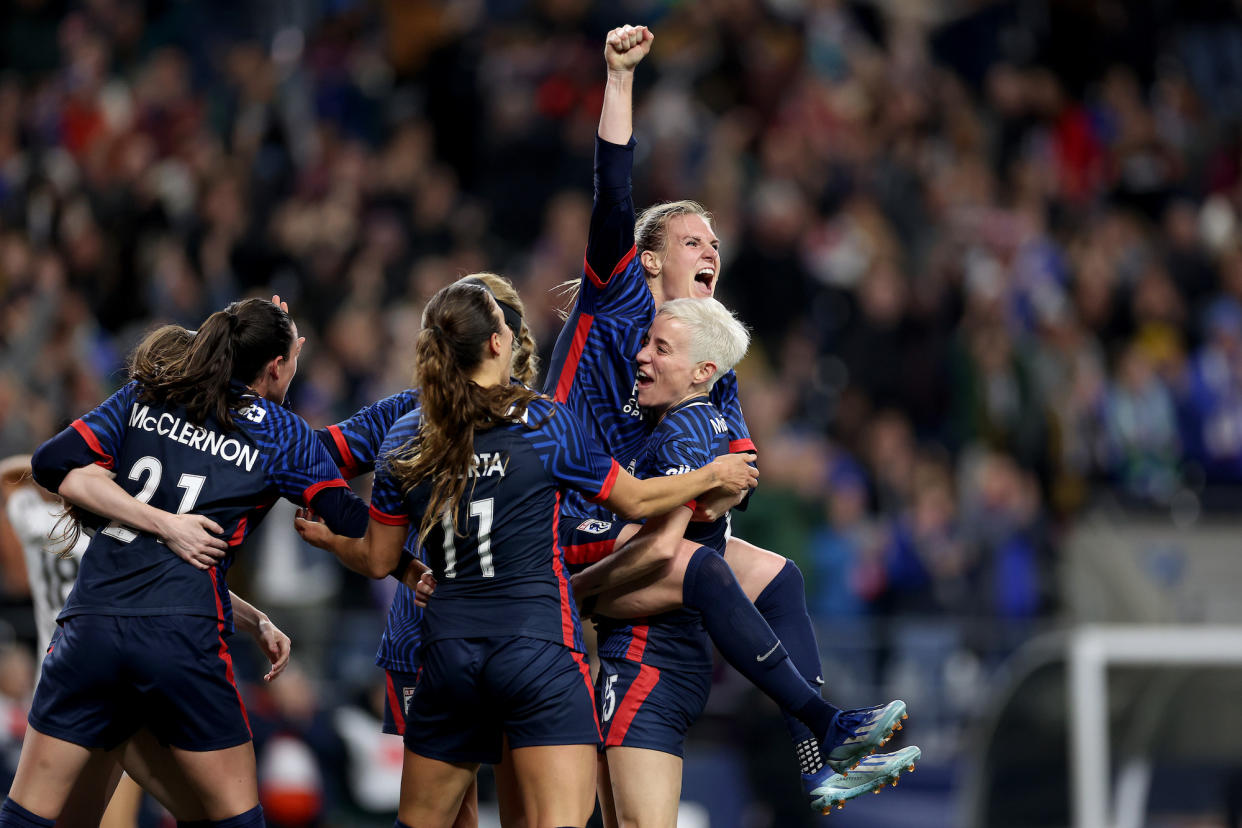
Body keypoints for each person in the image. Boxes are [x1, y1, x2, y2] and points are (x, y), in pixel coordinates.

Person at [544, 24, 914, 813]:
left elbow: (738, 476)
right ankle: (826, 720)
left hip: (636, 518)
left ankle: (817, 757)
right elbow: (614, 188)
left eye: (716, 240)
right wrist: (618, 81)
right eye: (691, 238)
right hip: (569, 515)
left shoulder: (708, 355)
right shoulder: (619, 301)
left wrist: (709, 489)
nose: (712, 247)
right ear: (649, 259)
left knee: (779, 574)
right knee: (704, 565)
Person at [294, 280, 758, 828]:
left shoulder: (405, 437)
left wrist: (333, 538)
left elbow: (376, 559)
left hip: (447, 654)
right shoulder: (545, 423)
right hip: (537, 648)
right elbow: (635, 496)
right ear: (496, 344)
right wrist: (713, 473)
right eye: (504, 321)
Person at [3, 298, 371, 828]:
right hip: (178, 638)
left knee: (33, 816)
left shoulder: (147, 398)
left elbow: (49, 463)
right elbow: (348, 516)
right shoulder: (279, 431)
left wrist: (253, 618)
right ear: (276, 366)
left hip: (91, 631)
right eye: (294, 354)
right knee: (232, 817)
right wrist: (412, 562)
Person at [314, 272, 535, 828]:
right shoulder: (405, 414)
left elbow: (304, 460)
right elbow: (314, 459)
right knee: (452, 811)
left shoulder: (543, 424)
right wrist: (355, 529)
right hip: (435, 639)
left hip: (510, 640)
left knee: (520, 806)